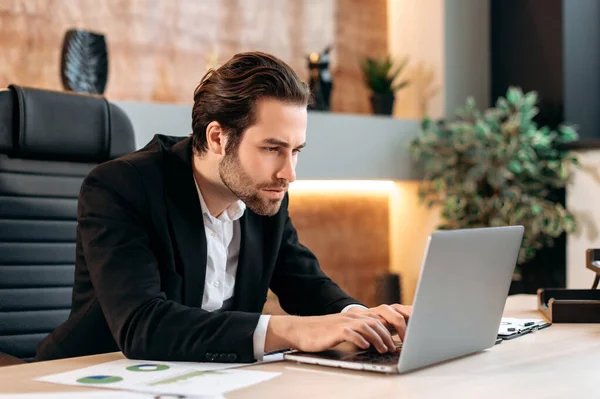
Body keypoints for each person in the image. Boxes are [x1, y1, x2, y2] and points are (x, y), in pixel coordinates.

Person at [35, 51, 411, 363]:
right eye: (272, 149)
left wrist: (361, 318)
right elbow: (142, 325)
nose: (289, 173)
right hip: (89, 377)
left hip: (209, 380)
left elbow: (305, 283)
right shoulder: (122, 187)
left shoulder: (264, 193)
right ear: (218, 137)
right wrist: (291, 329)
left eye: (295, 151)